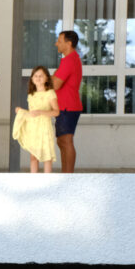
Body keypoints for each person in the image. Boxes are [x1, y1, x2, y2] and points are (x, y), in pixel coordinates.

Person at [12, 66, 59, 173]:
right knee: (34, 156)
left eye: (41, 76)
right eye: (36, 76)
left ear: (47, 78)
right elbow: (32, 113)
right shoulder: (31, 95)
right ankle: (34, 180)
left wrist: (41, 112)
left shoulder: (50, 93)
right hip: (33, 128)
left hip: (44, 127)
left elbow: (56, 112)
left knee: (47, 156)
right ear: (32, 78)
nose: (38, 78)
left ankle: (47, 180)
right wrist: (21, 111)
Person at [52, 30, 83, 173]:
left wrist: (47, 79)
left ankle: (68, 175)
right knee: (62, 141)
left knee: (66, 141)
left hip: (68, 106)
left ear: (68, 43)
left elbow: (56, 83)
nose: (56, 43)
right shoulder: (69, 59)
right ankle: (66, 174)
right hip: (65, 106)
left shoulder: (69, 60)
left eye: (59, 41)